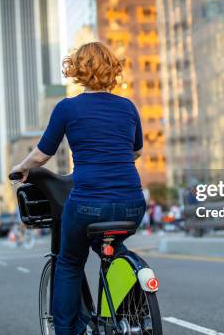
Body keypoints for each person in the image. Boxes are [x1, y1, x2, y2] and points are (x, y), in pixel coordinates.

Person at [10, 42, 146, 335]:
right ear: (112, 68)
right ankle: (125, 310)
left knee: (70, 262)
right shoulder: (127, 107)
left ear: (77, 69)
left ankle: (66, 331)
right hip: (133, 204)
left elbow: (42, 154)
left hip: (87, 204)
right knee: (111, 247)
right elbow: (136, 151)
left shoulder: (67, 108)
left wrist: (22, 167)